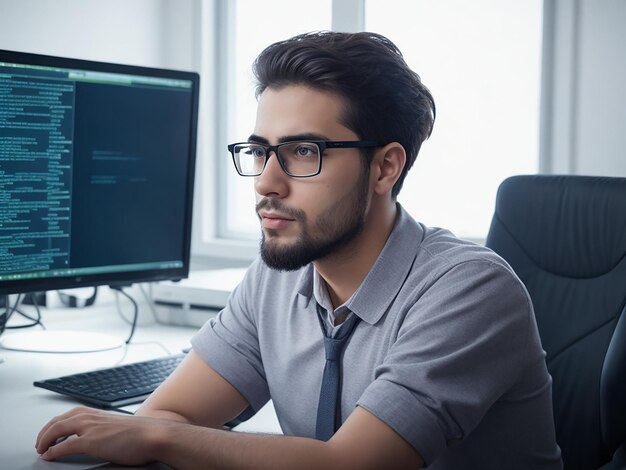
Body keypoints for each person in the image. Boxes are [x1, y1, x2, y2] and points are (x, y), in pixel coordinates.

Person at [36, 31, 562, 469]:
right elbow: (166, 413)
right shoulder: (280, 273)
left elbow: (350, 466)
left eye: (303, 151)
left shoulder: (470, 289)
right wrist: (155, 432)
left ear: (385, 167)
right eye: (260, 150)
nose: (267, 183)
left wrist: (158, 438)